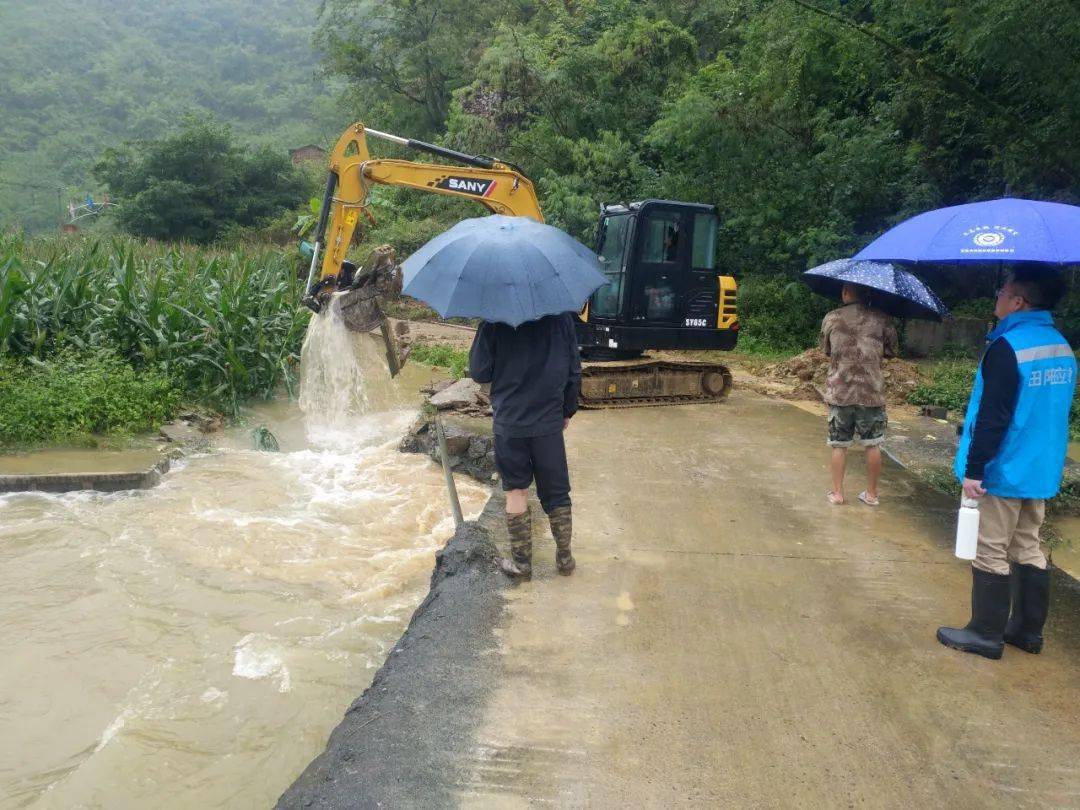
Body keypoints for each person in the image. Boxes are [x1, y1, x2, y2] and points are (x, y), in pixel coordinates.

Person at [937, 267, 1075, 660]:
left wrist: (975, 469)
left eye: (1003, 290)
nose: (996, 296)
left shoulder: (1008, 347)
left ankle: (985, 633)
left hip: (1004, 469)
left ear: (1019, 302)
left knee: (991, 550)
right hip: (1041, 468)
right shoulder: (1060, 346)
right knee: (1028, 546)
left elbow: (993, 416)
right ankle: (1028, 632)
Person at [468, 312, 582, 579]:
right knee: (557, 492)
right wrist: (567, 410)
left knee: (516, 491)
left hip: (510, 423)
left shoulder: (494, 317)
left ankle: (522, 565)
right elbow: (574, 370)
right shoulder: (561, 317)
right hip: (548, 422)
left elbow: (479, 371)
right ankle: (565, 558)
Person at [819, 283, 898, 506]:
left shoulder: (832, 318)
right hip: (871, 393)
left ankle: (837, 494)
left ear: (845, 293)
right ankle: (872, 495)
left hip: (840, 393)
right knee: (872, 444)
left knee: (839, 444)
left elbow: (825, 350)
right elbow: (892, 351)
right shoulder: (882, 319)